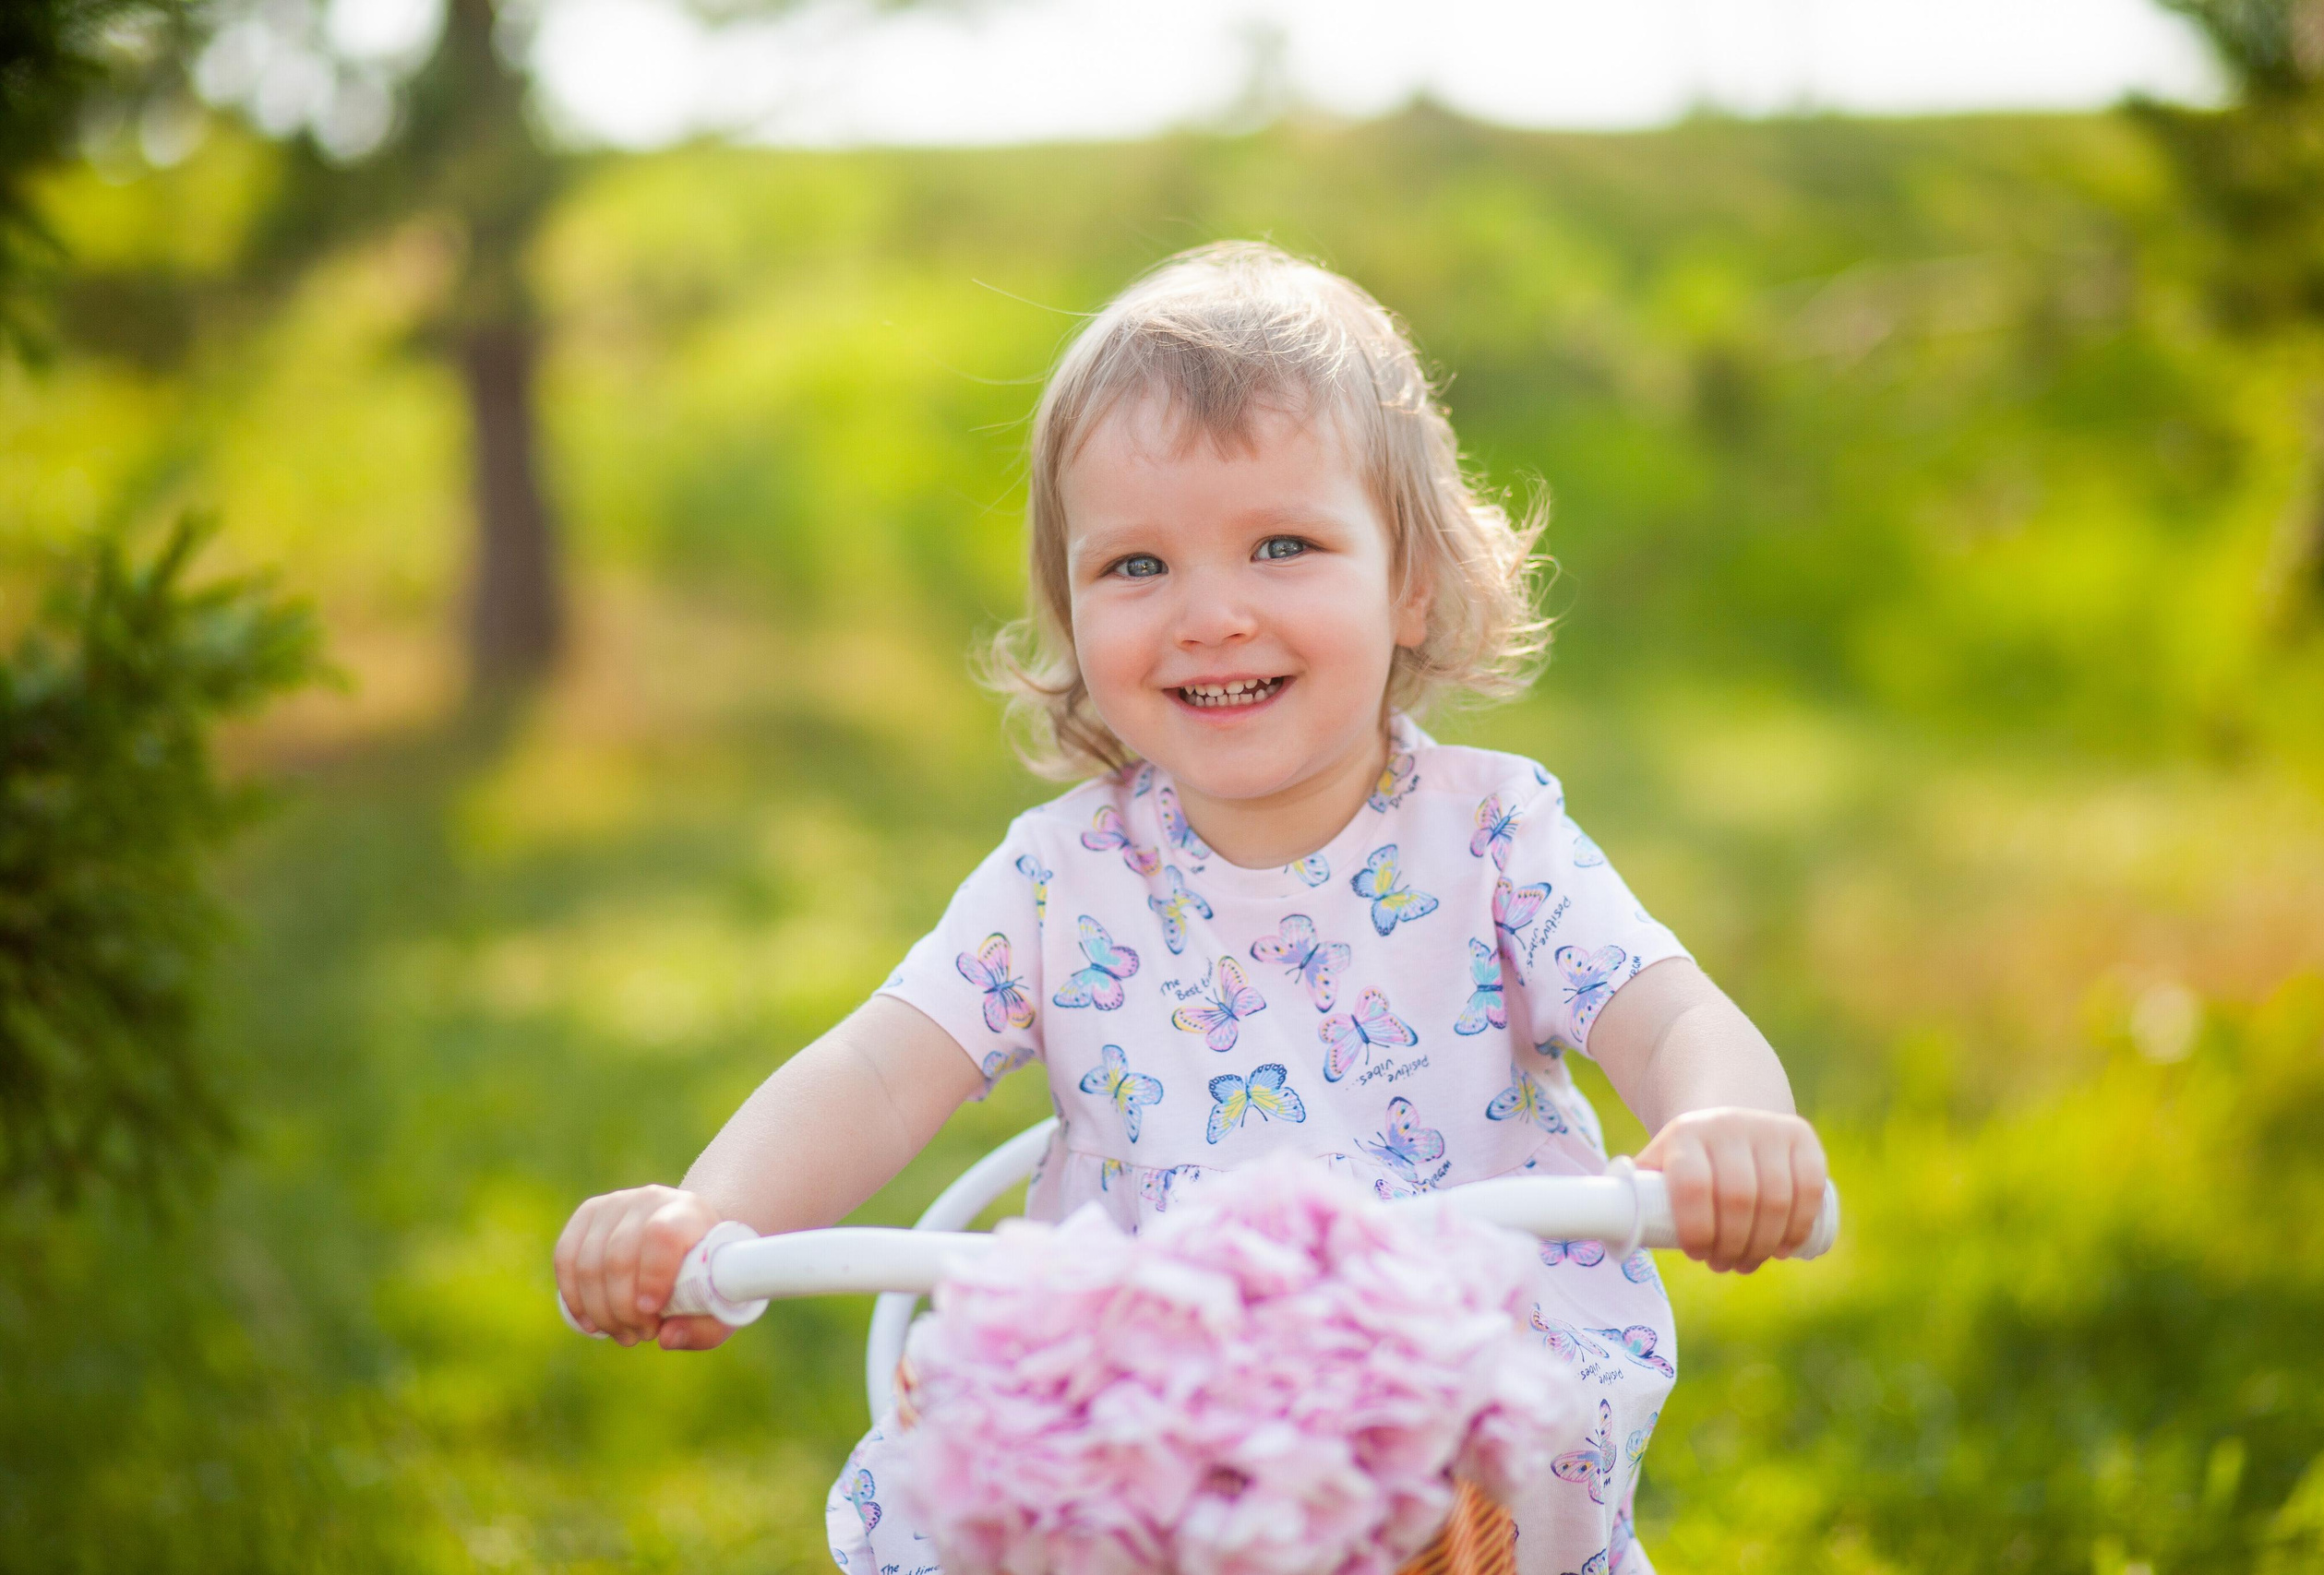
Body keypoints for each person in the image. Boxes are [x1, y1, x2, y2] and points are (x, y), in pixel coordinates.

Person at [554, 241, 1827, 1575]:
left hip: (1442, 1454)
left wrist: (1725, 1123)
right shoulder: (1060, 880)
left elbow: (1667, 1010)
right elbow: (878, 1069)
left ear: (1410, 582)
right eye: (1135, 568)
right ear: (1073, 611)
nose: (1211, 615)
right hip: (1144, 1460)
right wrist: (709, 1217)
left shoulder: (1498, 840)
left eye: (1283, 546)